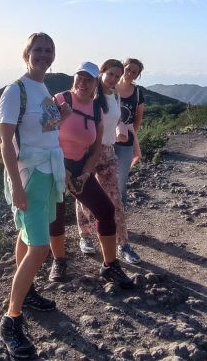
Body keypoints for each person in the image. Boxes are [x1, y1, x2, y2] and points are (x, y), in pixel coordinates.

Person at [0, 32, 67, 360]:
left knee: (28, 238)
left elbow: (46, 129)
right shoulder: (16, 91)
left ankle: (28, 290)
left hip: (48, 174)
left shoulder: (43, 88)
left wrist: (63, 113)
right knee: (40, 247)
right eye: (38, 49)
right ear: (26, 53)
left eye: (48, 50)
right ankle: (10, 320)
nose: (43, 54)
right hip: (29, 176)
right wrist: (17, 185)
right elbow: (5, 143)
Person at [46, 62, 135, 290]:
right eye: (80, 78)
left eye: (89, 79)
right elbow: (44, 135)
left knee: (105, 210)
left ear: (96, 83)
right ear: (74, 78)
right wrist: (61, 169)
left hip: (78, 166)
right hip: (53, 165)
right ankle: (59, 261)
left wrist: (85, 174)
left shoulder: (96, 109)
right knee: (56, 214)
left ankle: (110, 264)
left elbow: (96, 149)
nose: (83, 83)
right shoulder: (60, 99)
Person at [76, 59, 142, 265]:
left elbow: (115, 121)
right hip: (86, 152)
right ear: (101, 73)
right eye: (110, 74)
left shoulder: (114, 95)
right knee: (83, 198)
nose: (113, 79)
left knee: (115, 199)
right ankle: (85, 237)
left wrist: (120, 133)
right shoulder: (91, 97)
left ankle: (123, 244)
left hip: (107, 152)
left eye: (116, 75)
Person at [114, 58, 145, 207]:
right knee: (102, 178)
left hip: (126, 141)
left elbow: (138, 117)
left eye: (134, 72)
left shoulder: (138, 93)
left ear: (137, 75)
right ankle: (104, 220)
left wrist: (129, 133)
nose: (130, 73)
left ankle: (120, 222)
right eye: (128, 69)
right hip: (107, 139)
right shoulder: (110, 87)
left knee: (121, 182)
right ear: (122, 68)